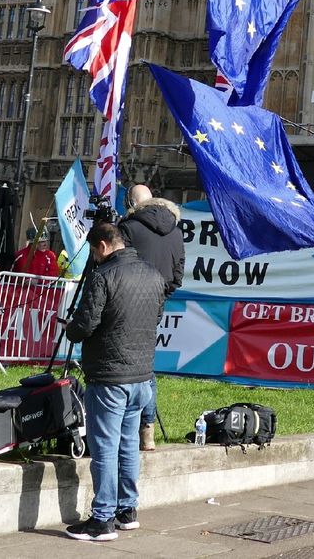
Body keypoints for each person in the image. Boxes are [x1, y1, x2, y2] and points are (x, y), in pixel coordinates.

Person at [63, 221, 162, 542]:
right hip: (142, 376)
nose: (94, 256)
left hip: (109, 376)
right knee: (129, 443)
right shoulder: (153, 275)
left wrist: (70, 327)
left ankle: (102, 519)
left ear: (102, 246)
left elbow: (84, 325)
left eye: (93, 251)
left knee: (104, 448)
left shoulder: (102, 276)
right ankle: (127, 510)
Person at [117, 185, 183, 451]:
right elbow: (177, 276)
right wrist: (158, 293)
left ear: (131, 203)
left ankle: (124, 423)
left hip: (125, 301)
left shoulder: (128, 227)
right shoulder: (176, 231)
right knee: (146, 364)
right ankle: (147, 430)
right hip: (155, 304)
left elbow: (115, 266)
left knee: (121, 363)